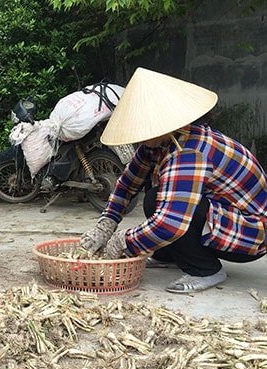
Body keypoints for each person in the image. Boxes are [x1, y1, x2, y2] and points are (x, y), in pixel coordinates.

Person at [80, 67, 267, 294]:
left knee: (173, 209)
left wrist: (124, 242)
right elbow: (127, 184)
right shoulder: (159, 142)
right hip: (223, 216)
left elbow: (171, 222)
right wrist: (106, 224)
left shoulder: (188, 152)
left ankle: (205, 269)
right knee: (153, 198)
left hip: (250, 234)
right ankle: (169, 254)